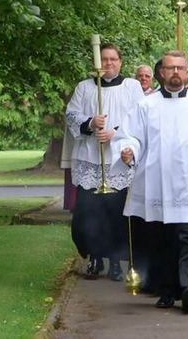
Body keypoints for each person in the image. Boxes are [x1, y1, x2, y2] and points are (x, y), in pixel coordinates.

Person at [111, 50, 188, 314]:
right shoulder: (146, 105)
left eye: (180, 68)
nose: (175, 72)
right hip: (158, 182)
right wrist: (129, 150)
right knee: (162, 239)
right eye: (170, 68)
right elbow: (131, 135)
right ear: (162, 73)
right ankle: (167, 290)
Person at [66, 43, 144, 281]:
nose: (109, 63)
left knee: (116, 214)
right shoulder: (84, 87)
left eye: (113, 59)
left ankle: (115, 262)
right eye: (104, 59)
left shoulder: (132, 87)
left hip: (118, 160)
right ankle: (95, 257)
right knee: (89, 213)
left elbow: (140, 117)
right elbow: (72, 115)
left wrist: (115, 133)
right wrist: (90, 123)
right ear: (97, 63)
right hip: (90, 158)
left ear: (120, 62)